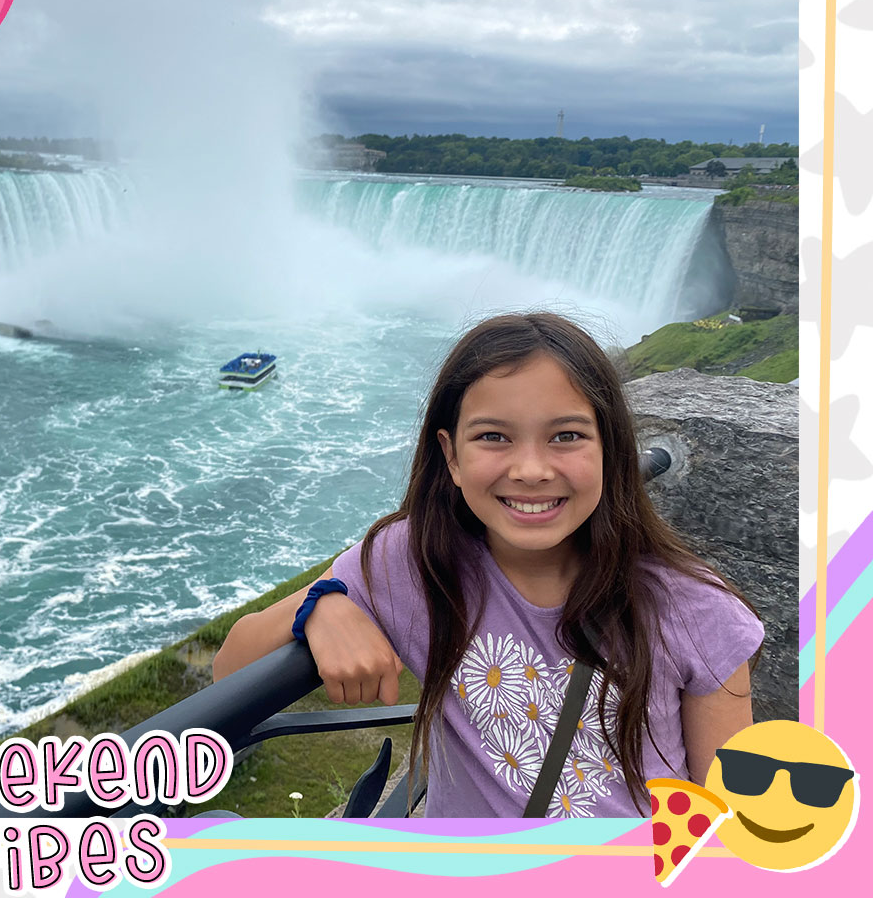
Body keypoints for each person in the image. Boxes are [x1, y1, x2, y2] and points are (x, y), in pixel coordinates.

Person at [213, 312, 763, 818]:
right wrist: (323, 605)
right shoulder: (416, 562)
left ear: (610, 449)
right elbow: (229, 671)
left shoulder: (693, 608)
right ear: (451, 456)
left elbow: (729, 821)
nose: (529, 469)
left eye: (566, 436)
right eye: (494, 437)